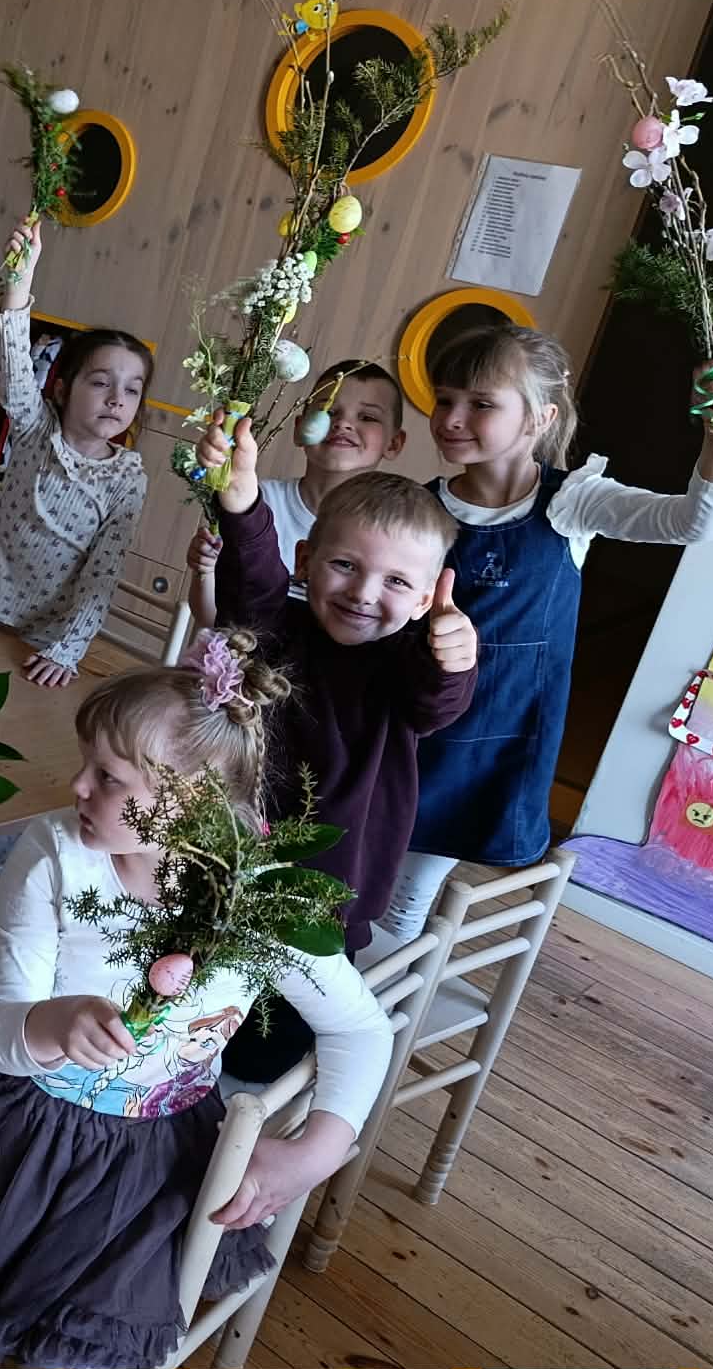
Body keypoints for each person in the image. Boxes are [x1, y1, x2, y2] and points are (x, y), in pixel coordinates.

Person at [0, 635, 393, 1369]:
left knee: (69, 1348)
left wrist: (313, 1153)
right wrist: (50, 1024)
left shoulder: (261, 897)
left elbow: (360, 1029)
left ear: (192, 800)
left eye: (109, 777)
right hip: (9, 1117)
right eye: (85, 763)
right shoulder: (55, 852)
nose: (77, 785)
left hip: (146, 1162)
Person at [381, 326, 713, 948]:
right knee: (379, 851)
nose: (451, 418)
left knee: (417, 876)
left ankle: (380, 985)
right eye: (446, 398)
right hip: (417, 713)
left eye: (481, 403)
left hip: (503, 724)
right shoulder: (419, 506)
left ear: (540, 417)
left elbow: (690, 524)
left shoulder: (573, 502)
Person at [194, 418, 478, 1083]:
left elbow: (437, 703)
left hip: (326, 899)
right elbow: (251, 583)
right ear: (305, 562)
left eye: (396, 582)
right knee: (191, 1004)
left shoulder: (408, 660)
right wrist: (242, 501)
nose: (363, 593)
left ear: (427, 597)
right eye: (345, 565)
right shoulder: (281, 627)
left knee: (264, 1057)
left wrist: (455, 658)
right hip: (227, 866)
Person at [0, 220, 151, 689]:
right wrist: (20, 281)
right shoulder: (36, 428)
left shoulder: (126, 477)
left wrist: (67, 650)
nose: (116, 399)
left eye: (131, 390)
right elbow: (13, 366)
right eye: (101, 382)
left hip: (45, 640)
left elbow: (102, 572)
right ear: (62, 390)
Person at [186, 360, 409, 627]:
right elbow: (211, 617)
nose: (342, 424)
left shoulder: (395, 533)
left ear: (394, 443)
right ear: (299, 428)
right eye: (328, 411)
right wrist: (205, 570)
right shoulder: (253, 506)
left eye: (367, 417)